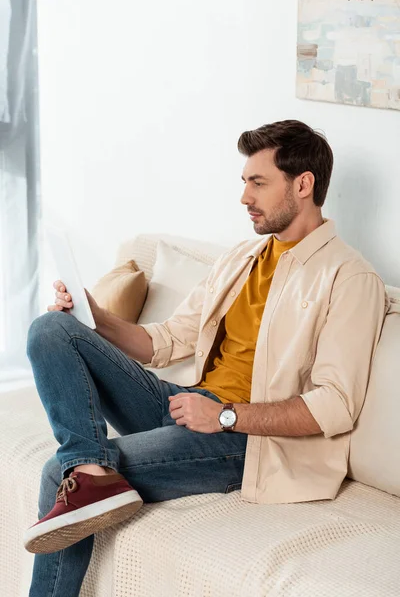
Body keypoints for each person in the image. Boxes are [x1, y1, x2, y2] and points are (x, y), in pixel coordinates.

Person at [25, 120, 388, 596]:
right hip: (187, 405)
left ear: (303, 185)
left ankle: (82, 475)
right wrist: (97, 317)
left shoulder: (348, 277)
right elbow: (168, 341)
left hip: (249, 441)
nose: (244, 197)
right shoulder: (242, 257)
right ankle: (90, 469)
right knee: (53, 329)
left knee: (58, 474)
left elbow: (335, 405)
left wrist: (225, 417)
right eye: (244, 183)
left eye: (258, 183)